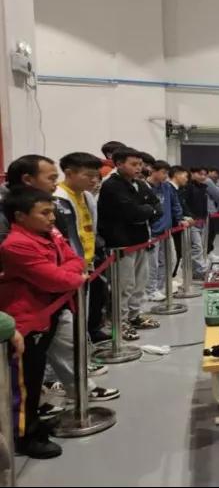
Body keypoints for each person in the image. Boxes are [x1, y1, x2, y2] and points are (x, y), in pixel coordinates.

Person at [0, 188, 87, 458]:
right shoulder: (16, 244)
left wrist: (70, 273)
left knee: (35, 377)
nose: (52, 218)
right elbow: (56, 280)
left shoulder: (49, 235)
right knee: (24, 382)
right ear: (20, 216)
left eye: (52, 212)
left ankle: (33, 421)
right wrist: (72, 276)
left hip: (49, 312)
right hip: (26, 319)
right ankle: (23, 436)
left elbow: (75, 259)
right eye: (45, 213)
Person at [48, 153, 119, 402]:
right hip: (65, 274)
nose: (93, 181)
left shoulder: (87, 197)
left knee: (80, 322)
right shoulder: (57, 200)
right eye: (88, 175)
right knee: (64, 332)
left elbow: (89, 230)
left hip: (85, 266)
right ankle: (56, 379)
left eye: (95, 176)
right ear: (69, 172)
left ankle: (79, 367)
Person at [97, 147, 163, 341]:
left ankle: (134, 315)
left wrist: (147, 210)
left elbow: (157, 207)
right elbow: (131, 212)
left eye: (140, 164)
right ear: (119, 164)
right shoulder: (112, 186)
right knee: (123, 286)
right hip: (120, 243)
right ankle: (119, 321)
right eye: (133, 164)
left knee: (139, 283)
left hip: (140, 240)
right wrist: (147, 210)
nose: (138, 168)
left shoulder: (140, 184)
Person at [146, 160, 186, 301]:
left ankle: (160, 287)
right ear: (153, 171)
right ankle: (150, 290)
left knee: (167, 261)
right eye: (163, 172)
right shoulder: (146, 187)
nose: (165, 176)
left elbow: (175, 204)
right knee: (152, 264)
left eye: (167, 173)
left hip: (166, 230)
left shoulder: (167, 187)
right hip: (152, 232)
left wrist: (180, 218)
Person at [0, 155, 59, 245]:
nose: (56, 184)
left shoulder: (47, 203)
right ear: (27, 180)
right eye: (51, 178)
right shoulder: (2, 212)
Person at [182, 167, 210, 280]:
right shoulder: (188, 187)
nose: (203, 176)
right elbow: (184, 203)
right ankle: (200, 271)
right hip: (192, 221)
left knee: (199, 247)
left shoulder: (203, 188)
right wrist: (190, 217)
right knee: (197, 247)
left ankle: (196, 270)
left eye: (205, 174)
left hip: (201, 221)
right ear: (192, 174)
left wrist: (204, 218)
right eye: (200, 174)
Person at [168, 166, 193, 277]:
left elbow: (180, 207)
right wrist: (180, 220)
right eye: (185, 176)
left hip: (178, 225)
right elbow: (170, 209)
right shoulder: (168, 189)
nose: (186, 179)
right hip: (171, 227)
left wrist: (185, 217)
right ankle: (170, 278)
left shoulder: (178, 190)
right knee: (172, 255)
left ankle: (173, 277)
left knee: (178, 253)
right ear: (176, 174)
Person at [205, 167, 219, 261]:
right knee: (211, 233)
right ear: (209, 172)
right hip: (208, 212)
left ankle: (208, 252)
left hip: (208, 211)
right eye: (215, 173)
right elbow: (217, 194)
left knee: (210, 233)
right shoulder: (208, 181)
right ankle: (208, 252)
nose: (216, 175)